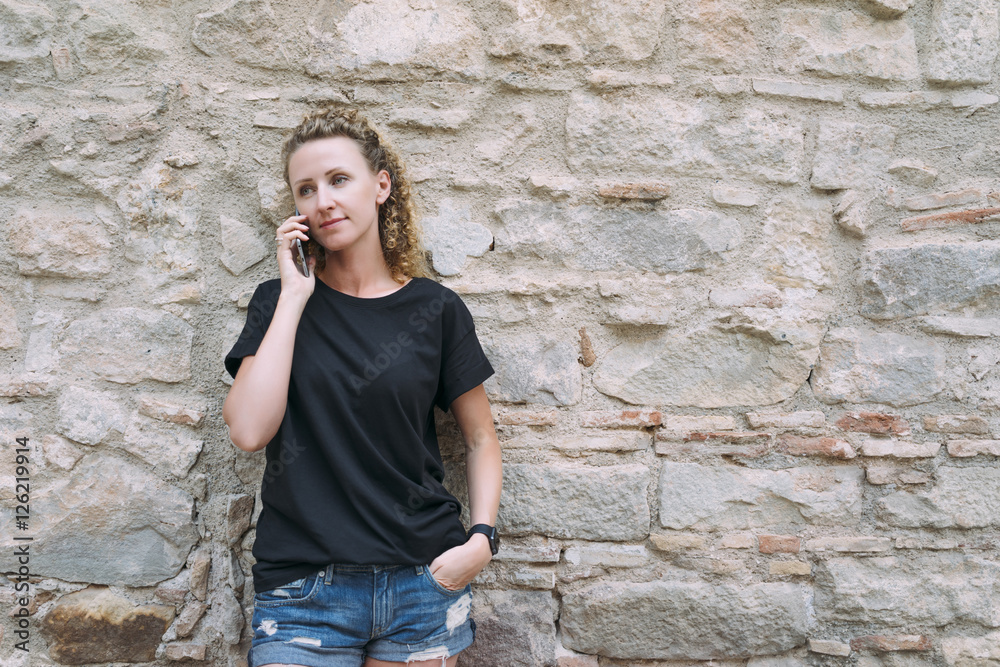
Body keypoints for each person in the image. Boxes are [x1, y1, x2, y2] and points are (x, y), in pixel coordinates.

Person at [222, 107, 502, 667]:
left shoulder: (436, 310)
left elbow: (480, 439)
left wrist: (480, 543)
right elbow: (249, 431)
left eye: (338, 180)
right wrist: (295, 297)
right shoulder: (278, 304)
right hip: (304, 594)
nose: (322, 200)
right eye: (305, 189)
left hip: (421, 587)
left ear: (380, 186)